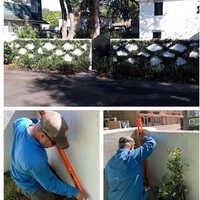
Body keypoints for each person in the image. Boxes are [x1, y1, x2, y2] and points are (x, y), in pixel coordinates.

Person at [10, 111, 85, 200]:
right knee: (48, 197)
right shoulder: (35, 160)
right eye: (54, 143)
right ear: (42, 135)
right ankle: (22, 189)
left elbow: (16, 123)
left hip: (17, 169)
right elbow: (51, 184)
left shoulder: (23, 123)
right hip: (28, 183)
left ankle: (19, 185)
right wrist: (75, 193)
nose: (55, 146)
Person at [104, 135, 157, 200]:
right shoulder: (132, 156)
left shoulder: (109, 163)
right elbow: (151, 143)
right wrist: (143, 136)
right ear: (132, 147)